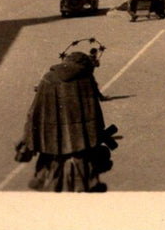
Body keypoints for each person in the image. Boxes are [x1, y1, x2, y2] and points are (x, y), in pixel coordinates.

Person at [19, 48, 115, 192]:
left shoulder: (48, 78)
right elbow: (93, 112)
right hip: (80, 145)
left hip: (51, 146)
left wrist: (28, 140)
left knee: (51, 187)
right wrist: (97, 134)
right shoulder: (85, 80)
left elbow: (35, 112)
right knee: (82, 186)